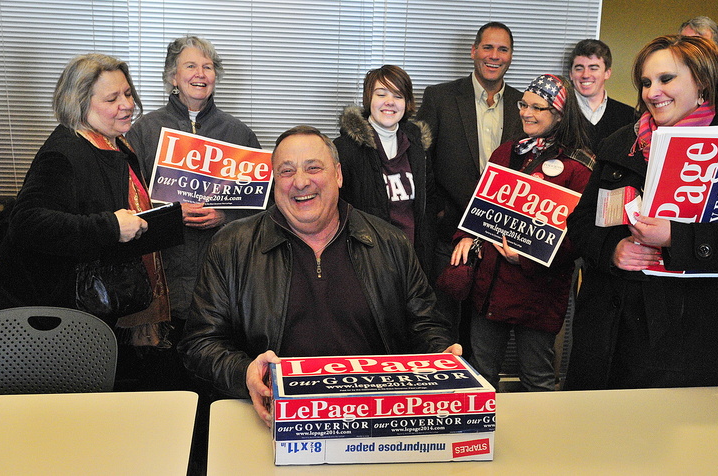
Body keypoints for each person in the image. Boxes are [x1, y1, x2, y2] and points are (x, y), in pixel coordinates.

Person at [178, 126, 460, 423]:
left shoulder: (390, 243)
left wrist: (442, 356)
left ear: (338, 175)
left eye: (313, 168)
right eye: (286, 172)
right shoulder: (232, 245)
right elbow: (199, 344)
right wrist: (244, 372)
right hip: (272, 417)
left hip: (375, 416)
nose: (300, 182)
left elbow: (427, 327)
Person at [565, 35, 718, 390]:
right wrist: (612, 248)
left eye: (666, 79)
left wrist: (676, 236)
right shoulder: (619, 143)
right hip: (609, 340)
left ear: (701, 81)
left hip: (692, 344)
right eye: (645, 82)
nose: (653, 92)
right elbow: (579, 223)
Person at [0, 53, 171, 373]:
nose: (127, 104)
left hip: (92, 308)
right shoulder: (64, 152)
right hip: (49, 320)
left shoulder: (114, 143)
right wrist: (111, 227)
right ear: (79, 103)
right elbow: (26, 223)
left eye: (128, 93)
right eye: (112, 98)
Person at [127, 35, 261, 389]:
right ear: (172, 76)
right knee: (161, 389)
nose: (200, 74)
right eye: (190, 66)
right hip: (162, 286)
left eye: (208, 67)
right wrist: (170, 212)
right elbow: (128, 202)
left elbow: (263, 208)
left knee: (213, 387)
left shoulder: (240, 135)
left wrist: (224, 218)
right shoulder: (143, 131)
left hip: (221, 286)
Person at [448, 75, 593, 391]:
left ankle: (541, 442)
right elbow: (480, 206)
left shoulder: (578, 167)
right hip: (490, 286)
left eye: (538, 108)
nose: (526, 112)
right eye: (523, 104)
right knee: (481, 378)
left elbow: (578, 238)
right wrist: (467, 236)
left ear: (558, 114)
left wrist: (525, 258)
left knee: (537, 380)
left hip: (538, 293)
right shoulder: (506, 152)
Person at [416, 21, 522, 342]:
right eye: (487, 47)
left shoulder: (525, 105)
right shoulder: (440, 97)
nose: (494, 55)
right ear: (473, 51)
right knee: (443, 325)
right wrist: (435, 213)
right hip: (448, 233)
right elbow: (422, 161)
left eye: (502, 49)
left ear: (511, 56)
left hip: (499, 239)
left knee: (485, 332)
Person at [334, 65, 437, 276]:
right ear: (368, 99)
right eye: (381, 94)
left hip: (412, 261)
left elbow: (429, 202)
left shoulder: (418, 146)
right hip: (366, 265)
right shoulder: (345, 149)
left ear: (407, 103)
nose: (389, 102)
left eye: (398, 96)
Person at [567, 39, 636, 153]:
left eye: (593, 68)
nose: (585, 75)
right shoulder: (557, 113)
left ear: (607, 73)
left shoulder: (630, 117)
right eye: (579, 68)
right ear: (571, 74)